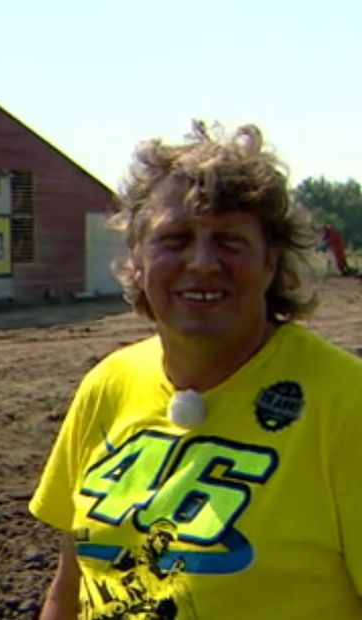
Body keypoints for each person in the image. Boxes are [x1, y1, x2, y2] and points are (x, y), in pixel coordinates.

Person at [29, 121, 362, 619]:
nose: (203, 263)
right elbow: (69, 587)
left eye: (229, 241)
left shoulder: (345, 405)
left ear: (272, 262)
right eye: (175, 239)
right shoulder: (108, 386)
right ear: (137, 260)